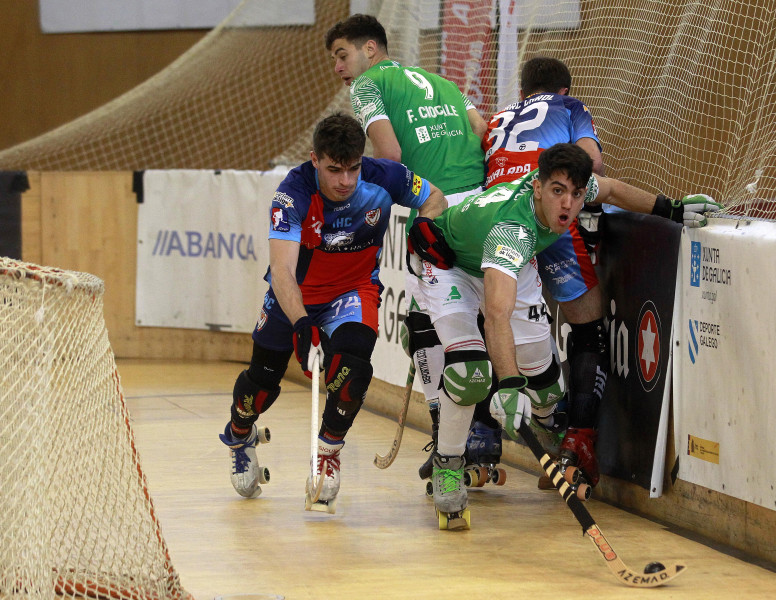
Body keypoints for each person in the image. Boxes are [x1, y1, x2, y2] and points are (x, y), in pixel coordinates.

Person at [408, 143, 720, 527]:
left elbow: (612, 189)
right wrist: (506, 384)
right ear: (537, 188)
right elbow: (495, 315)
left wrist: (670, 208)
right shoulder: (513, 230)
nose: (568, 205)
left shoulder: (574, 192)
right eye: (558, 191)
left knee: (548, 392)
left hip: (507, 268)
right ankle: (449, 463)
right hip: (450, 266)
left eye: (574, 194)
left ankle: (543, 421)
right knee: (469, 372)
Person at [481, 56, 714, 488]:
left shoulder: (498, 118)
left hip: (497, 220)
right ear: (564, 90)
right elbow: (596, 170)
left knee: (492, 317)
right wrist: (672, 209)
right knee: (588, 327)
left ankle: (480, 436)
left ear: (523, 91)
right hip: (545, 218)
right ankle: (578, 442)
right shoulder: (570, 109)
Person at [218, 114, 447, 508]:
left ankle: (327, 452)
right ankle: (241, 435)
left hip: (353, 291)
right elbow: (284, 272)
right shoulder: (292, 194)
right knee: (261, 384)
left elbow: (435, 198)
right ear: (314, 160)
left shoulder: (385, 176)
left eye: (353, 168)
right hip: (297, 295)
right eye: (334, 170)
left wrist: (424, 227)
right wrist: (302, 322)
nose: (345, 180)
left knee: (353, 368)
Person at [325, 14, 487, 480]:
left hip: (439, 211)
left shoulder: (367, 87)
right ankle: (469, 437)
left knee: (444, 330)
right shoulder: (445, 82)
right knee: (442, 320)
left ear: (370, 49)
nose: (339, 68)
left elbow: (390, 155)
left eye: (342, 55)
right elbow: (482, 131)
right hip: (483, 203)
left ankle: (454, 443)